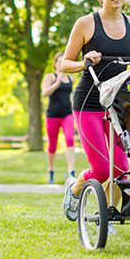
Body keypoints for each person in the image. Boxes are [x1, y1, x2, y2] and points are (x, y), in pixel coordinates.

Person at [60, 0, 130, 221]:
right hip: (88, 102)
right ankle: (75, 188)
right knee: (101, 168)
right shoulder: (86, 23)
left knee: (122, 167)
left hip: (117, 104)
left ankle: (109, 216)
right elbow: (64, 64)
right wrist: (84, 61)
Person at [41, 52, 76, 184]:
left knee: (69, 139)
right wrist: (57, 83)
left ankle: (71, 172)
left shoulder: (71, 78)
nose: (62, 63)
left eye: (64, 60)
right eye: (59, 61)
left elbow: (71, 96)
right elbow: (44, 93)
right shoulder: (50, 77)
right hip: (52, 116)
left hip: (67, 114)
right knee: (52, 146)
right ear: (55, 64)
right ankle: (51, 171)